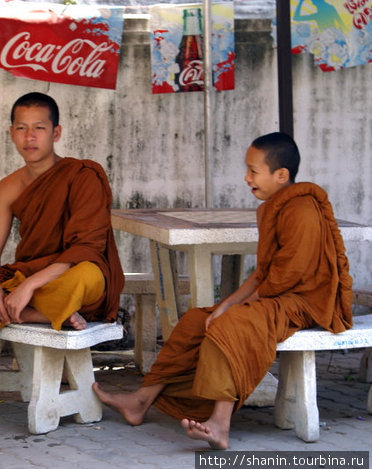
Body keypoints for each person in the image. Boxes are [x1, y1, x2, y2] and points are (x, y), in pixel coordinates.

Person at [93, 132, 353, 449]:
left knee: (229, 326)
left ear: (281, 175)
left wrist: (234, 312)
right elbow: (263, 274)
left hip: (306, 305)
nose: (246, 178)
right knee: (195, 321)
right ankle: (140, 401)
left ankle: (220, 424)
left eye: (253, 170)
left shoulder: (302, 209)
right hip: (279, 298)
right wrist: (226, 304)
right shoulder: (275, 208)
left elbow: (289, 276)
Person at [0, 92, 124, 354]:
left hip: (67, 275)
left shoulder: (83, 175)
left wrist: (28, 287)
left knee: (87, 277)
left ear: (56, 133)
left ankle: (25, 310)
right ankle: (44, 313)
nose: (29, 137)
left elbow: (87, 249)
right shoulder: (9, 187)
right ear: (12, 133)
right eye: (22, 128)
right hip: (30, 275)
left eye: (39, 128)